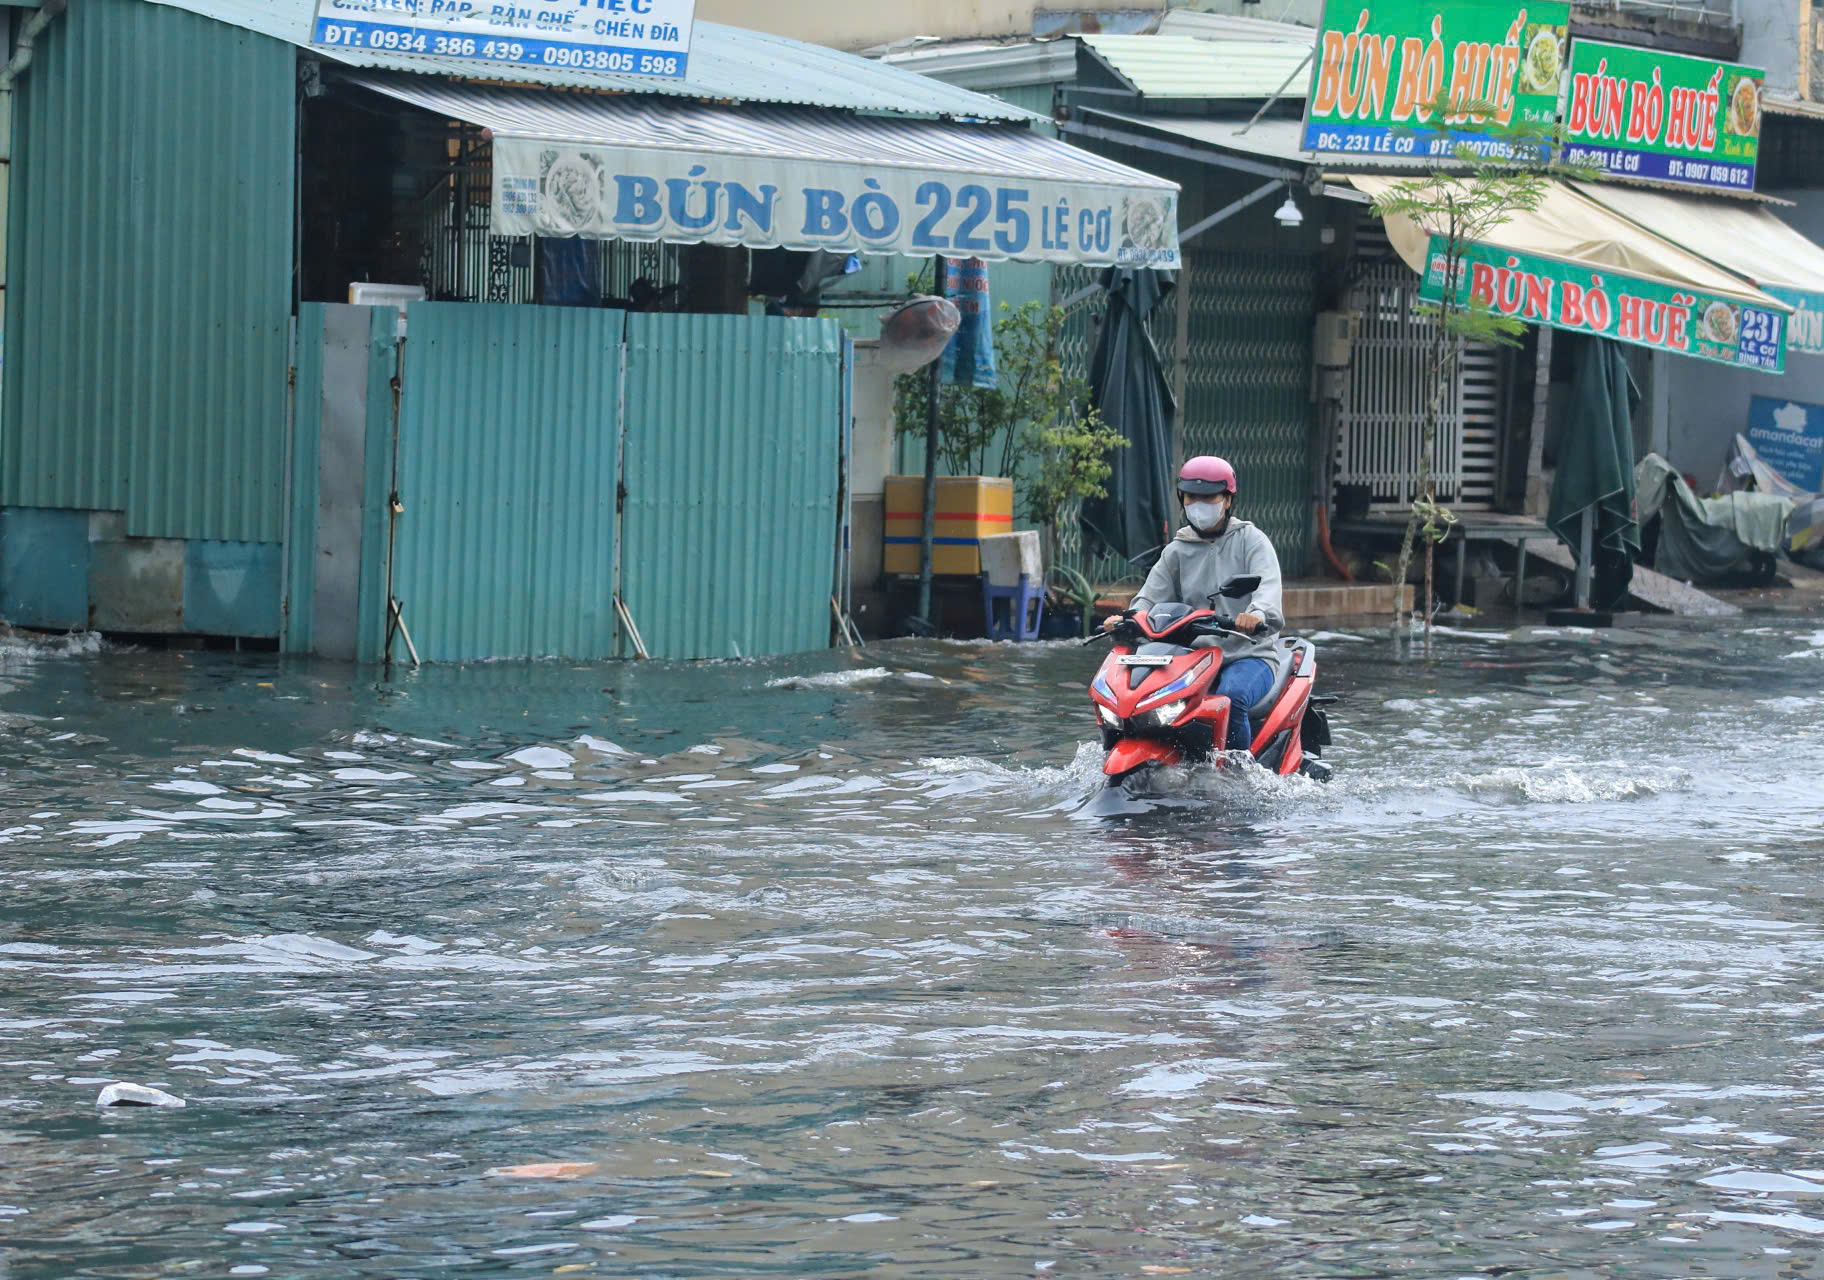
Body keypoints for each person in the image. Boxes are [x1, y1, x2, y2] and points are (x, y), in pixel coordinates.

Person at [1104, 455, 1285, 753]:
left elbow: (1267, 588)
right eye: (1192, 496)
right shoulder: (1176, 550)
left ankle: (1239, 776)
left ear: (1227, 500)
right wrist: (1127, 619)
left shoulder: (1252, 541)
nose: (1199, 503)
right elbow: (1149, 598)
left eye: (1209, 497)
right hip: (1193, 658)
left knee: (1231, 697)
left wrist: (1256, 613)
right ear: (1182, 499)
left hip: (1248, 655)